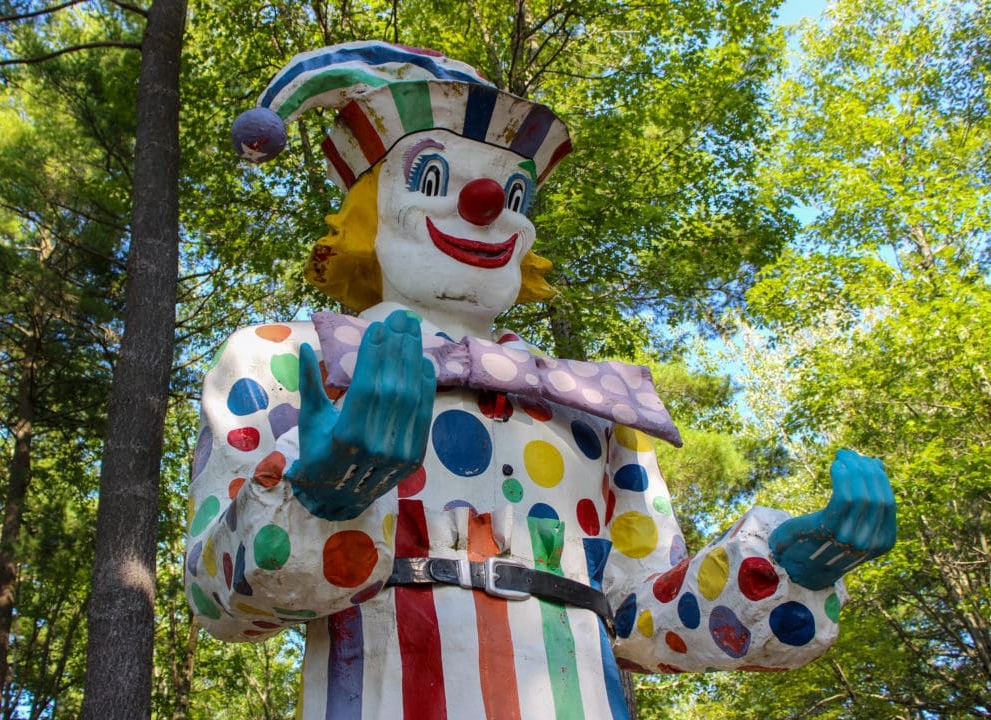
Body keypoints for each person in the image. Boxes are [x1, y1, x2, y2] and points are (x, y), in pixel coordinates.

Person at [186, 41, 896, 720]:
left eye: (515, 193)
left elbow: (642, 618)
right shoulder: (282, 359)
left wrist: (785, 571)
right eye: (433, 179)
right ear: (368, 212)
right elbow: (216, 602)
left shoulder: (590, 403)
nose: (487, 203)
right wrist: (319, 502)